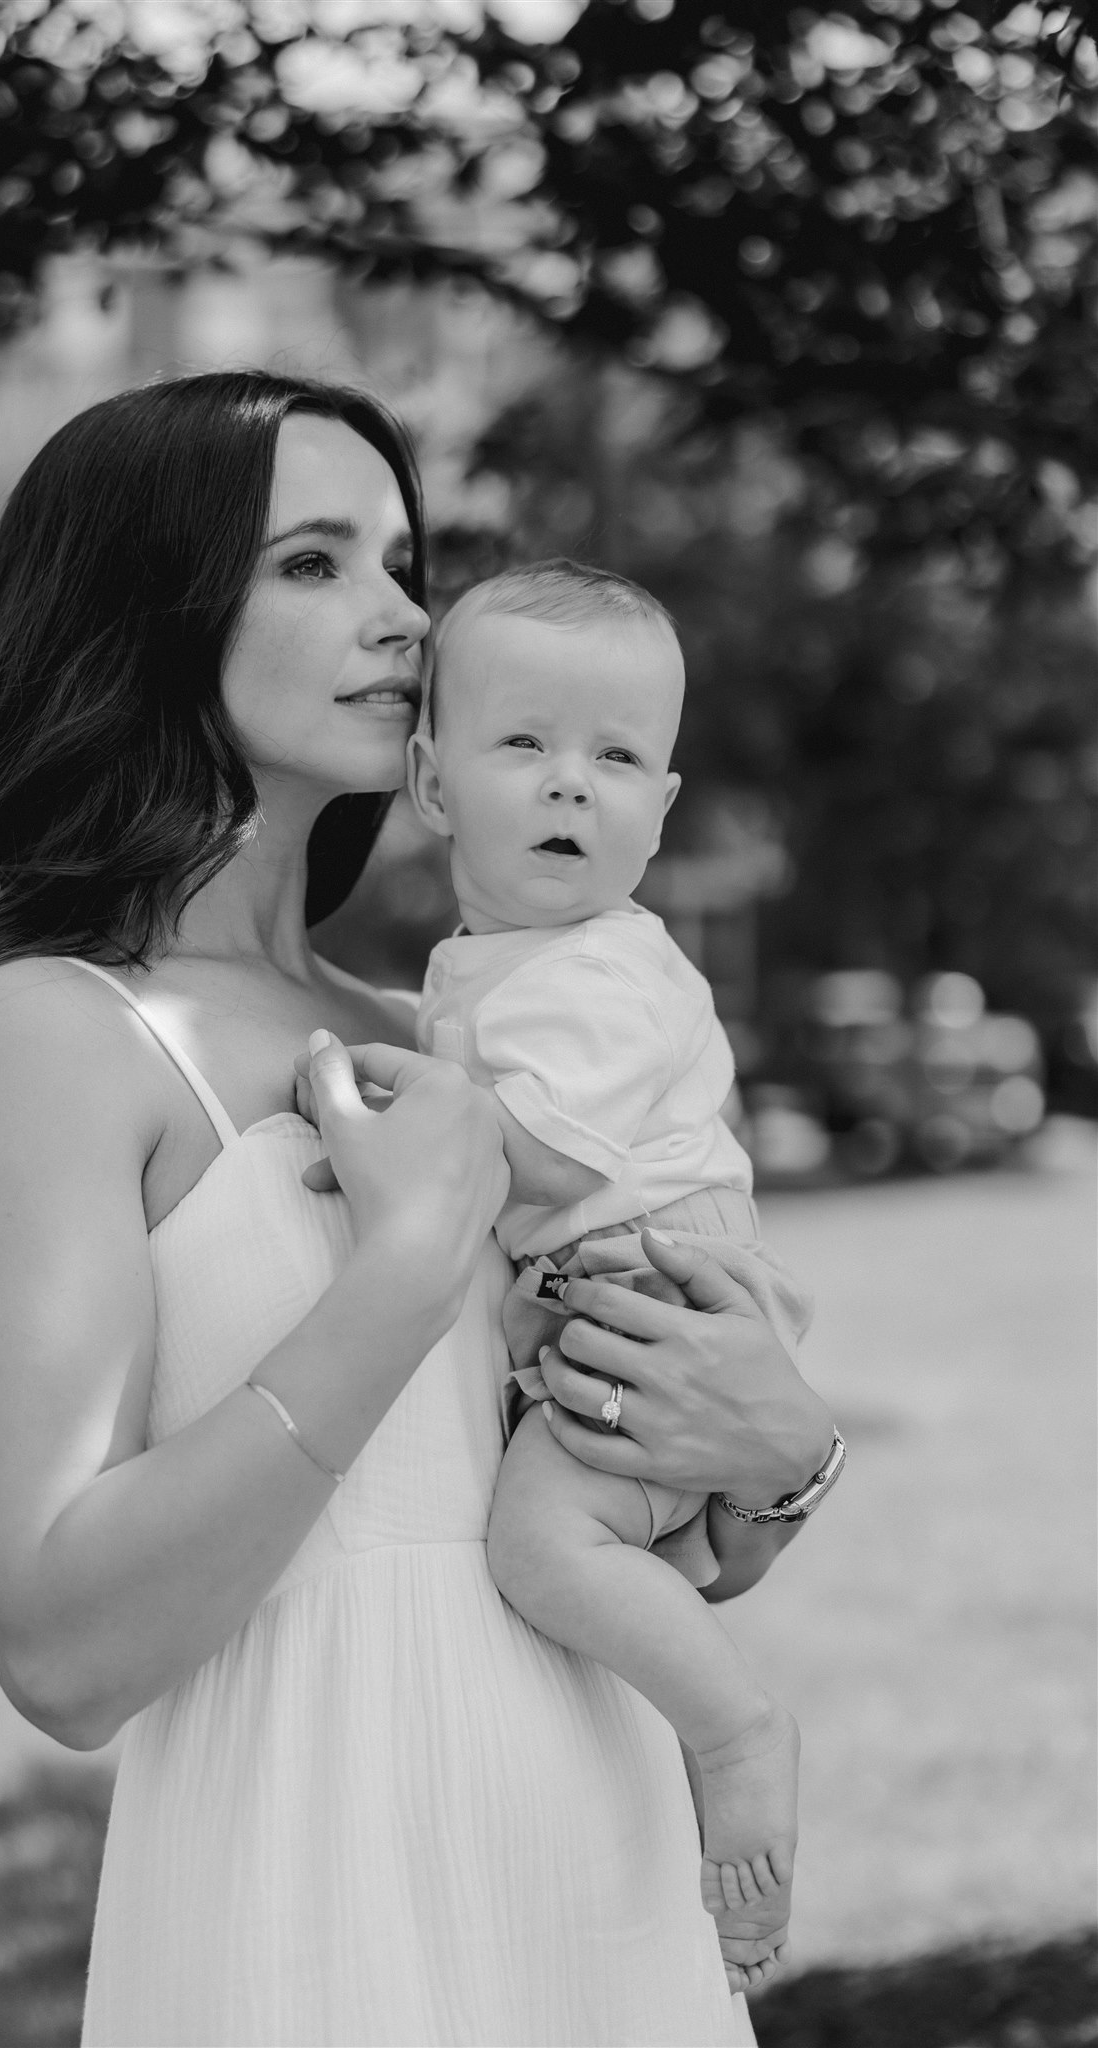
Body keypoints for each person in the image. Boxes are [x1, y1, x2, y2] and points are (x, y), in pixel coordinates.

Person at [0, 369, 839, 2047]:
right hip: (313, 1885)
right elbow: (63, 1652)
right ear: (143, 617)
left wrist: (780, 1454)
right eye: (313, 565)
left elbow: (612, 1514)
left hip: (590, 1861)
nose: (402, 618)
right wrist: (392, 1269)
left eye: (400, 562)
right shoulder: (48, 1031)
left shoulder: (430, 1034)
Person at [405, 560, 839, 1991]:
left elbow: (519, 1157)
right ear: (430, 776)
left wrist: (371, 1118)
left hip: (655, 1294)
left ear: (660, 808)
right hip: (610, 1288)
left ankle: (730, 1729)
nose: (569, 786)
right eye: (523, 743)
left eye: (615, 757)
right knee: (594, 1563)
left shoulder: (602, 969)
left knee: (545, 1545)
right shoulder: (493, 960)